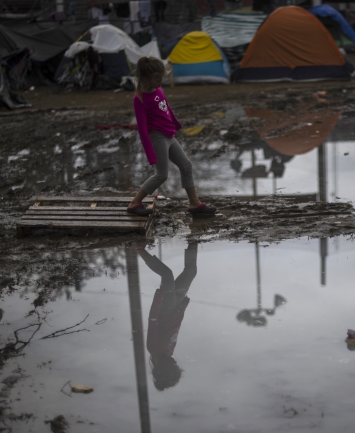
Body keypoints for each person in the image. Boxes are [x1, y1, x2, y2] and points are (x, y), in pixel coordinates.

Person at [127, 57, 217, 216]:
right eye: (156, 79)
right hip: (157, 138)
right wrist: (150, 154)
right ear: (146, 79)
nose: (160, 82)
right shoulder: (139, 99)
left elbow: (166, 108)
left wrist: (175, 123)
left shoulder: (159, 90)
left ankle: (194, 204)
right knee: (161, 175)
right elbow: (142, 129)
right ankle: (134, 203)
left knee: (186, 166)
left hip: (169, 135)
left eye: (162, 78)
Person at [137, 241, 198, 390]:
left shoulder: (153, 348)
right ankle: (193, 241)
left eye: (173, 366)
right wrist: (182, 306)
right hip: (177, 306)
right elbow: (175, 327)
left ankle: (138, 248)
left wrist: (159, 299)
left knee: (167, 274)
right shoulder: (168, 352)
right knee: (190, 271)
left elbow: (152, 321)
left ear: (162, 368)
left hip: (165, 308)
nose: (175, 362)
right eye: (176, 366)